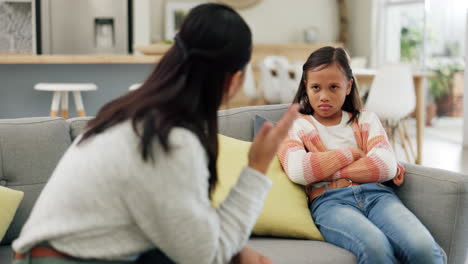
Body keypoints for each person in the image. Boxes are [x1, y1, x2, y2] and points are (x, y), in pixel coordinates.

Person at [12, 4, 299, 264]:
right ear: (234, 79)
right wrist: (257, 167)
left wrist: (236, 252)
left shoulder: (137, 115)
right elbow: (203, 256)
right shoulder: (168, 139)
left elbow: (196, 235)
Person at [277, 46, 446, 264]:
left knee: (422, 247)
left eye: (334, 87)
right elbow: (299, 170)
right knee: (374, 245)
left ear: (348, 86)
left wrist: (325, 170)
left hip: (378, 196)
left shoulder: (366, 120)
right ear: (306, 88)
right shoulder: (295, 125)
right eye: (316, 87)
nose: (324, 96)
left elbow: (386, 166)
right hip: (330, 202)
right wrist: (352, 153)